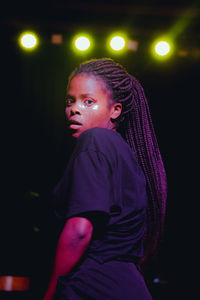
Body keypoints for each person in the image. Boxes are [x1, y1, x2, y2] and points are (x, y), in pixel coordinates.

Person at [43, 58, 167, 300]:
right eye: (71, 100)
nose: (75, 109)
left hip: (92, 285)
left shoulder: (95, 141)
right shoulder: (125, 154)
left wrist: (50, 292)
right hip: (126, 286)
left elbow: (80, 230)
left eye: (89, 101)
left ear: (115, 110)